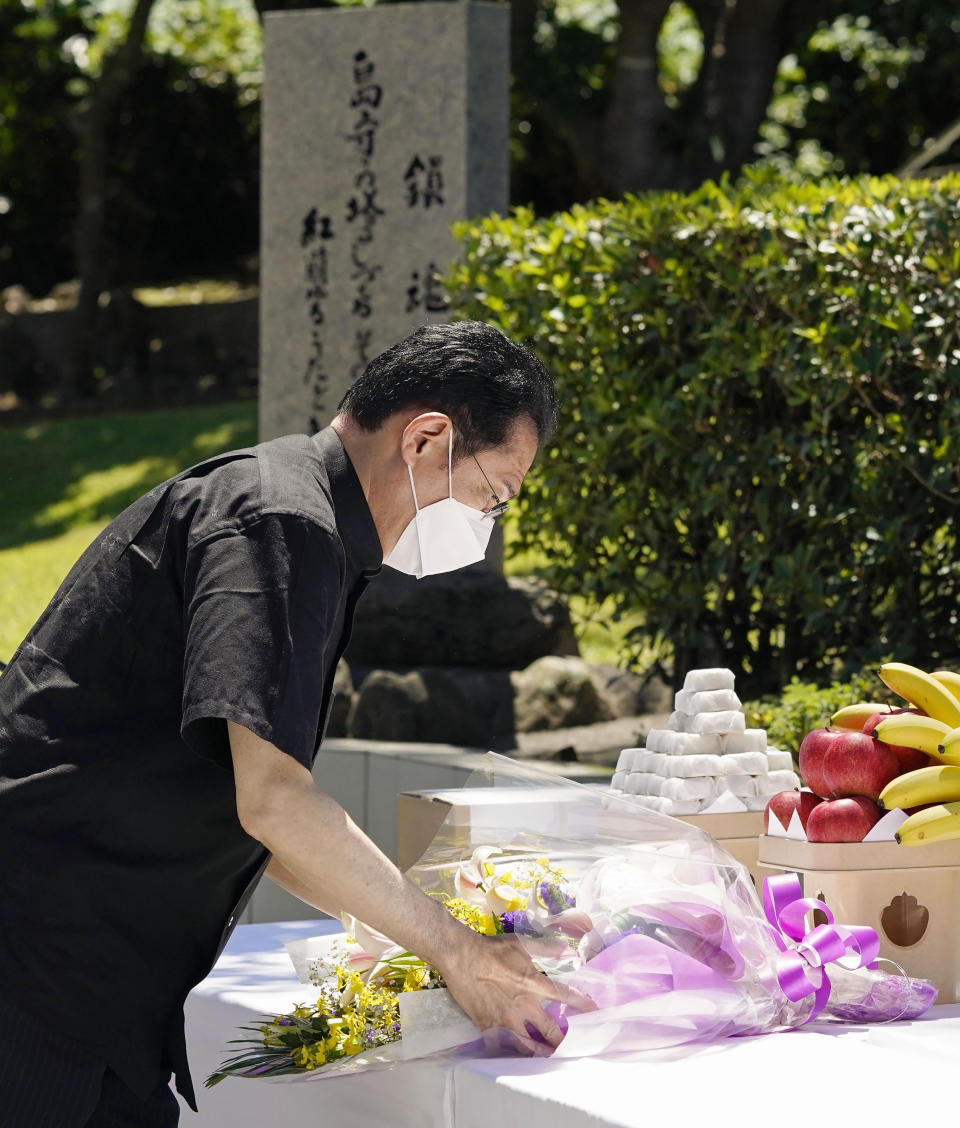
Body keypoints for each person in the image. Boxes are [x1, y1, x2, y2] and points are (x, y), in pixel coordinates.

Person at [0, 321, 592, 1126]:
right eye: (496, 495)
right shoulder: (281, 523)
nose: (488, 522)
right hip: (39, 976)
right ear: (426, 439)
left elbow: (249, 804)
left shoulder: (294, 517)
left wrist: (399, 932)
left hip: (88, 982)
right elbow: (275, 800)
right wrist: (458, 952)